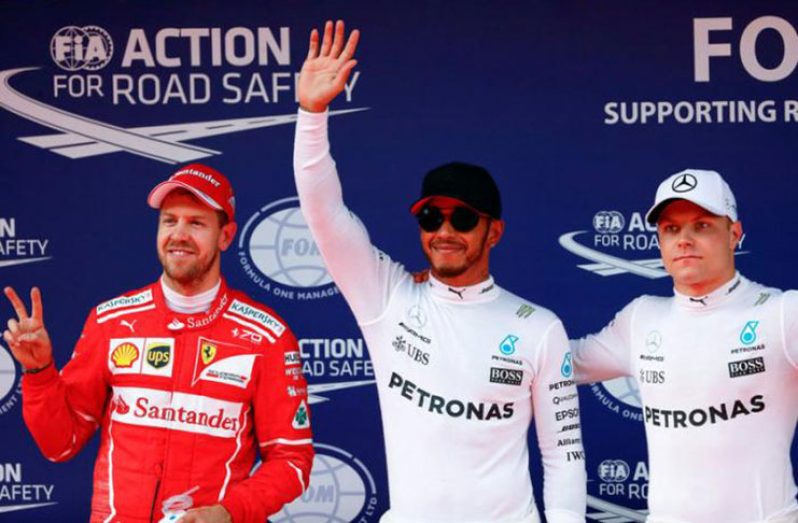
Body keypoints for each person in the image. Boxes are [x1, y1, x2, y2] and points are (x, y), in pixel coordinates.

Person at [293, 20, 586, 523]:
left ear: (493, 232)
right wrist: (312, 114)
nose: (444, 230)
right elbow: (324, 214)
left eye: (463, 218)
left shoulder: (539, 328)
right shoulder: (387, 297)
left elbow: (564, 457)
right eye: (431, 216)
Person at [3, 164, 313, 523]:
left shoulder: (268, 337)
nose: (178, 234)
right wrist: (39, 372)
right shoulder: (111, 322)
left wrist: (230, 512)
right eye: (169, 221)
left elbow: (292, 461)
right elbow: (61, 444)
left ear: (225, 236)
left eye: (196, 223)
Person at [572, 168, 798, 522]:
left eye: (702, 225)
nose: (684, 240)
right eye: (671, 229)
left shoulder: (783, 312)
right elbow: (556, 363)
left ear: (734, 234)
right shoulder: (642, 317)